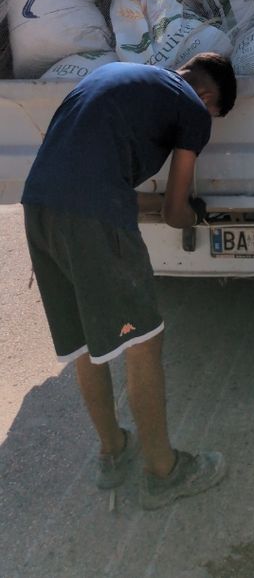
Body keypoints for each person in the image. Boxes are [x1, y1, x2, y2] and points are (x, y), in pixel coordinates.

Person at [22, 53, 237, 510]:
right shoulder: (193, 109)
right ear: (207, 96)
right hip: (92, 218)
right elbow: (174, 213)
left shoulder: (115, 74)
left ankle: (113, 452)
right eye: (214, 114)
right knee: (143, 343)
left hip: (39, 206)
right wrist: (194, 215)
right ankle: (164, 472)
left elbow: (98, 177)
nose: (207, 122)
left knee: (85, 342)